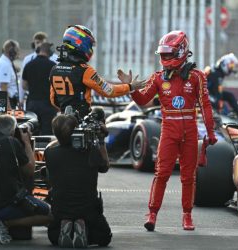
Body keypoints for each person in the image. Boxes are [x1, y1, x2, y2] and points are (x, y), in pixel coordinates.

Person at [119, 30, 218, 231]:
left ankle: (187, 216)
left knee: (188, 176)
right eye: (162, 54)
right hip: (168, 133)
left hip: (190, 133)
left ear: (181, 51)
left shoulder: (197, 77)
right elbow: (143, 100)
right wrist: (130, 87)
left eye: (168, 54)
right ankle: (152, 214)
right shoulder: (157, 78)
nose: (164, 58)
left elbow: (206, 105)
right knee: (162, 174)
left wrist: (211, 131)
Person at [0, 115, 52, 244]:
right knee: (50, 214)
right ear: (12, 130)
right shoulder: (12, 142)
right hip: (3, 206)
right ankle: (5, 223)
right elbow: (30, 170)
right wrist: (27, 143)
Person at [45, 114, 112, 248]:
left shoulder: (50, 154)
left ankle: (67, 223)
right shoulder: (90, 152)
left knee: (53, 237)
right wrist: (101, 140)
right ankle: (82, 225)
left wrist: (61, 136)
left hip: (61, 208)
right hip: (88, 208)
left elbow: (54, 146)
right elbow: (104, 167)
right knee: (104, 237)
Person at [50, 24, 146, 118]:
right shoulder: (85, 70)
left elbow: (53, 100)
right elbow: (109, 91)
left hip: (63, 120)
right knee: (99, 114)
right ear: (80, 43)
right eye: (89, 45)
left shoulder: (54, 69)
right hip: (81, 122)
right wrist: (130, 86)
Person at [22, 42, 57, 135]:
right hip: (48, 105)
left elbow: (24, 85)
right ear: (49, 52)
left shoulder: (29, 65)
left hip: (32, 103)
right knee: (47, 133)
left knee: (32, 131)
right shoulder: (53, 66)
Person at [21, 31, 58, 107]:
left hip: (49, 99)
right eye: (37, 43)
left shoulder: (55, 58)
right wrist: (21, 98)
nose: (39, 45)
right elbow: (23, 81)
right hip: (33, 97)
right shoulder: (27, 59)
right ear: (33, 44)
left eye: (42, 43)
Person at [0, 40, 21, 110]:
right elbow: (3, 86)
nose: (18, 53)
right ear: (11, 51)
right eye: (17, 50)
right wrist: (8, 107)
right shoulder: (5, 65)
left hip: (4, 100)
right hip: (7, 102)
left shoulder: (4, 62)